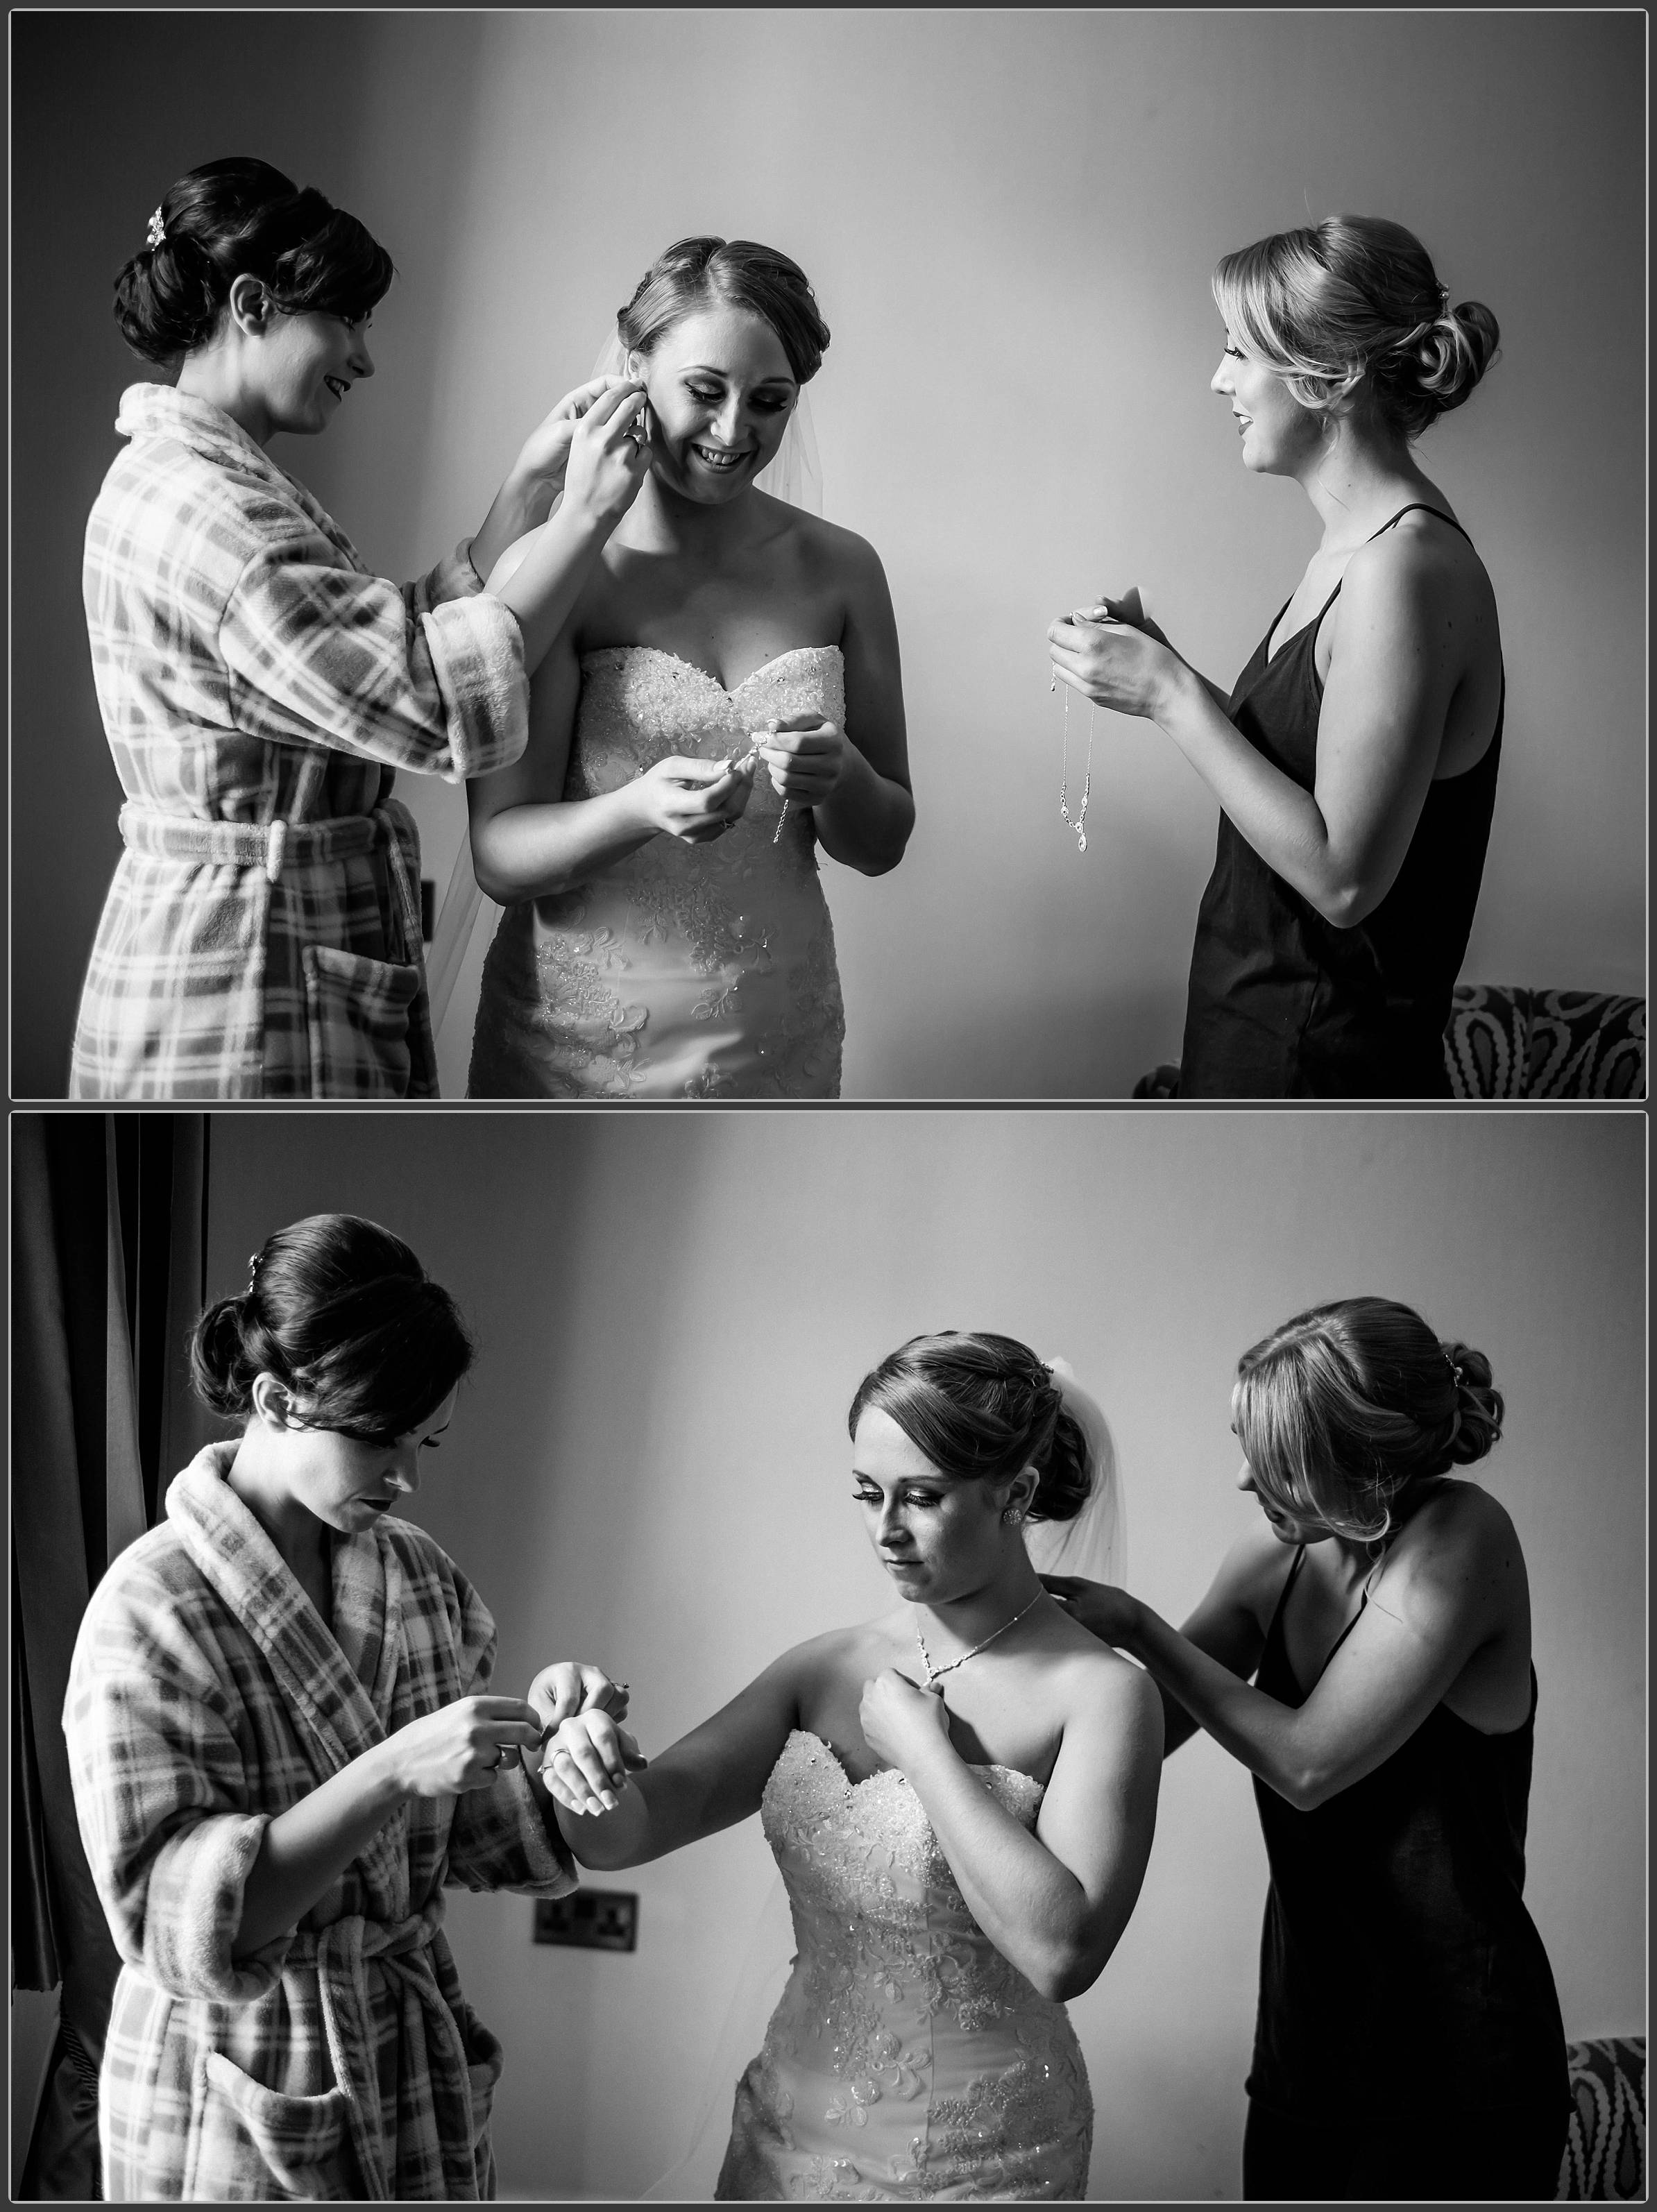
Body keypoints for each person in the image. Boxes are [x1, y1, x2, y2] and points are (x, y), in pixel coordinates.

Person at [62, 1214, 626, 2200]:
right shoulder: (150, 1608)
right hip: (229, 2082)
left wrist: (555, 1737)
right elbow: (173, 1923)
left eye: (426, 1440)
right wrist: (394, 1769)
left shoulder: (415, 1575)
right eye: (377, 1440)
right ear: (278, 1398)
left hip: (407, 2053)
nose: (407, 1477)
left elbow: (474, 1835)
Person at [70, 156, 650, 1099]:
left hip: (259, 941)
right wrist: (584, 517)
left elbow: (373, 649)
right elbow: (426, 695)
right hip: (240, 980)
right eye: (346, 318)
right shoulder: (210, 514)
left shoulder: (210, 481)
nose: (366, 358)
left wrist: (527, 492)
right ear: (254, 305)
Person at [537, 1332, 1161, 2200]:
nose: (886, 1529)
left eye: (922, 1497)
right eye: (868, 1493)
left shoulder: (1103, 1694)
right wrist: (577, 1756)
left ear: (1015, 1493)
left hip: (983, 2157)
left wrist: (927, 1753)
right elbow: (626, 1834)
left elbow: (1063, 1953)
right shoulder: (820, 1669)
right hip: (786, 2134)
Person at [1044, 1297, 1569, 2202]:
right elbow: (1145, 1730)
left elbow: (1308, 1766)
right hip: (1307, 2043)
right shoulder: (1273, 1560)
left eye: (1275, 1462)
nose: (1247, 1484)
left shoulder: (1465, 1540)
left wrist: (1136, 1623)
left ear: (1353, 1466)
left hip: (1464, 2060)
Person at [1049, 216, 1504, 1098]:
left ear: (1327, 375)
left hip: (1323, 1072)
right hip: (1255, 1037)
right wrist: (1162, 665)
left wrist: (1173, 698)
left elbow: (1342, 879)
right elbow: (1310, 771)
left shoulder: (1404, 569)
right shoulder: (1357, 550)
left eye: (1238, 352)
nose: (1220, 380)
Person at [462, 235, 915, 1098]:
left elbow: (883, 841)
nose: (733, 430)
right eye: (705, 392)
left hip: (777, 1032)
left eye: (769, 402)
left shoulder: (843, 569)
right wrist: (636, 808)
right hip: (577, 1046)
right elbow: (498, 853)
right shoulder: (561, 572)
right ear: (636, 366)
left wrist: (841, 772)